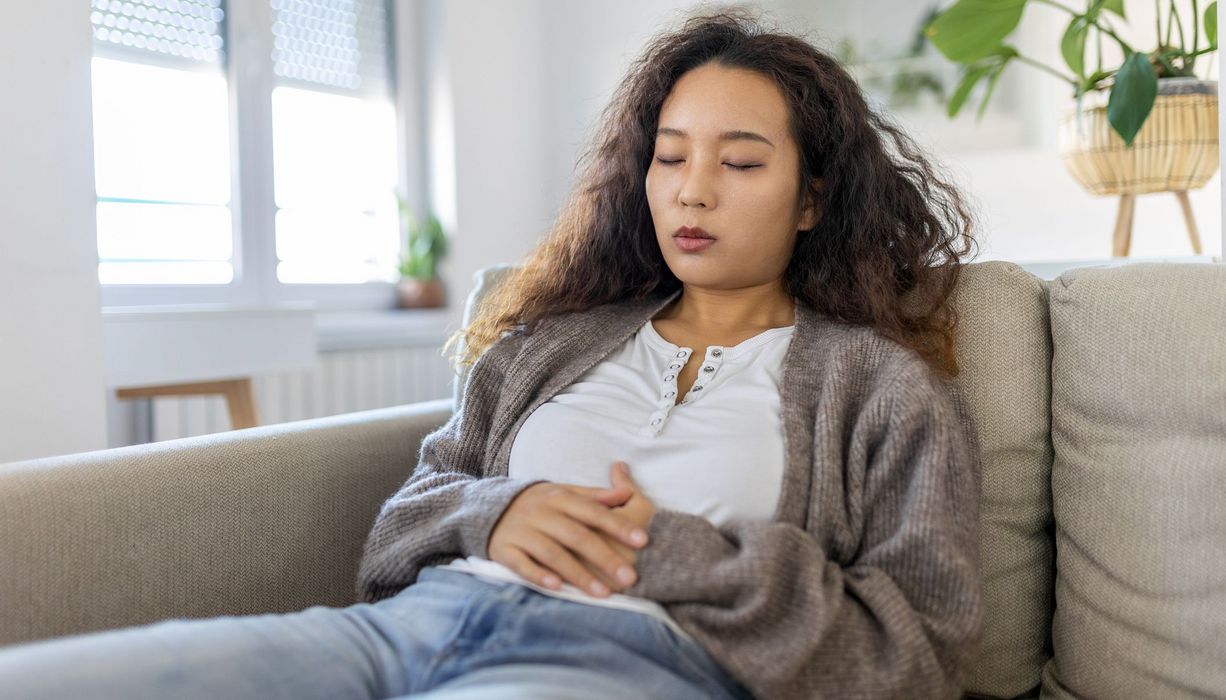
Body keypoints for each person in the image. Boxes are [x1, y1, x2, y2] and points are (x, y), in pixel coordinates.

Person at [0, 6, 983, 699]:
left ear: (811, 197)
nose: (690, 191)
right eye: (669, 155)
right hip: (395, 633)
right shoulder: (552, 343)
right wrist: (497, 508)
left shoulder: (880, 390)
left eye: (737, 162)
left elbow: (917, 653)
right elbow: (400, 528)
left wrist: (673, 553)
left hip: (625, 665)